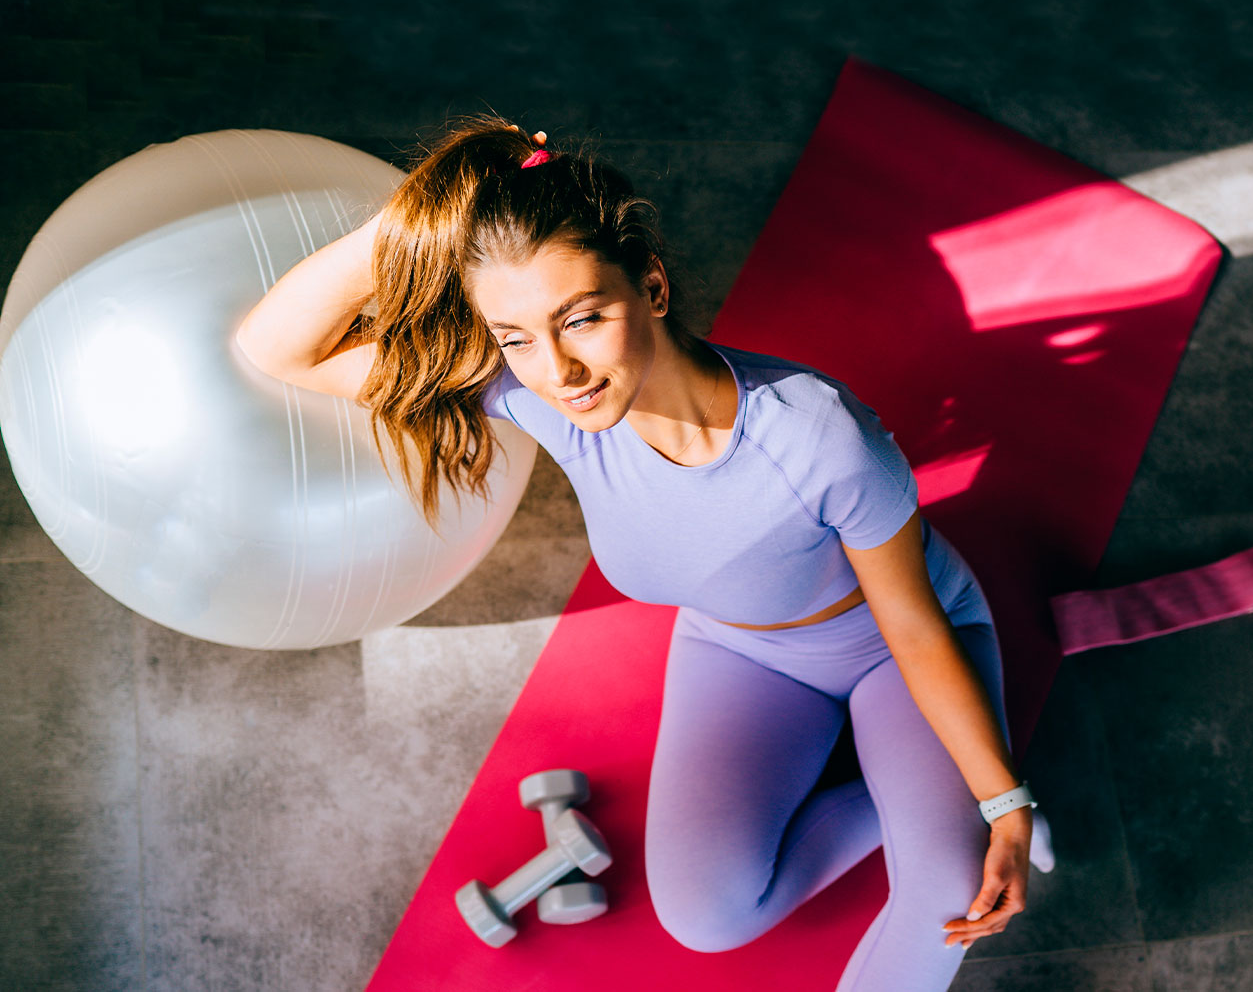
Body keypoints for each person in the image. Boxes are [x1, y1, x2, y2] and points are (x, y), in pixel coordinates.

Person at [233, 115, 1053, 991]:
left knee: (947, 894)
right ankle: (910, 802)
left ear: (652, 286)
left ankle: (956, 802)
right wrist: (423, 211)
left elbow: (915, 629)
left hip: (887, 646)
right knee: (709, 915)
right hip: (739, 648)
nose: (558, 368)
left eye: (582, 318)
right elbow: (278, 348)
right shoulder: (538, 394)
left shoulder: (823, 434)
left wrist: (1003, 802)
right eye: (515, 337)